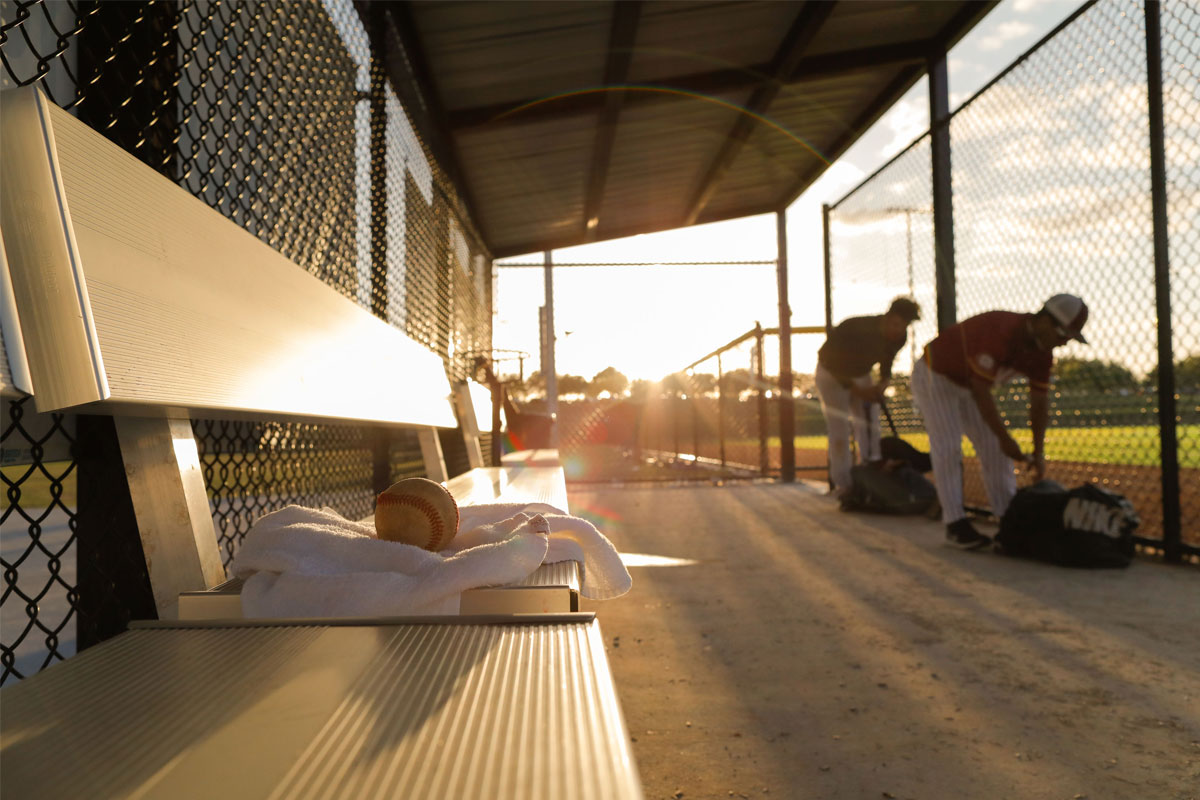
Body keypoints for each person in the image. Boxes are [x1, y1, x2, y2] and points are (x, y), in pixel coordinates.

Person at [910, 293, 1088, 549]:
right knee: (948, 447)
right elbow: (981, 390)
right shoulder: (1001, 329)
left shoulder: (1043, 353)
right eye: (1063, 335)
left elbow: (1039, 405)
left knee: (995, 450)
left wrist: (1038, 452)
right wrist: (1006, 439)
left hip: (968, 386)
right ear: (1045, 321)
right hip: (934, 375)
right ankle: (955, 524)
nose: (1063, 343)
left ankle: (1008, 522)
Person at [815, 297, 921, 500]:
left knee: (870, 422)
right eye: (896, 324)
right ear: (887, 317)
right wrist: (859, 392)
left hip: (861, 373)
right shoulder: (856, 327)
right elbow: (831, 362)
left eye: (904, 326)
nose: (898, 330)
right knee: (840, 429)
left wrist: (882, 385)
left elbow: (887, 363)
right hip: (831, 374)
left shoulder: (900, 337)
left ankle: (871, 471)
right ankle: (844, 485)